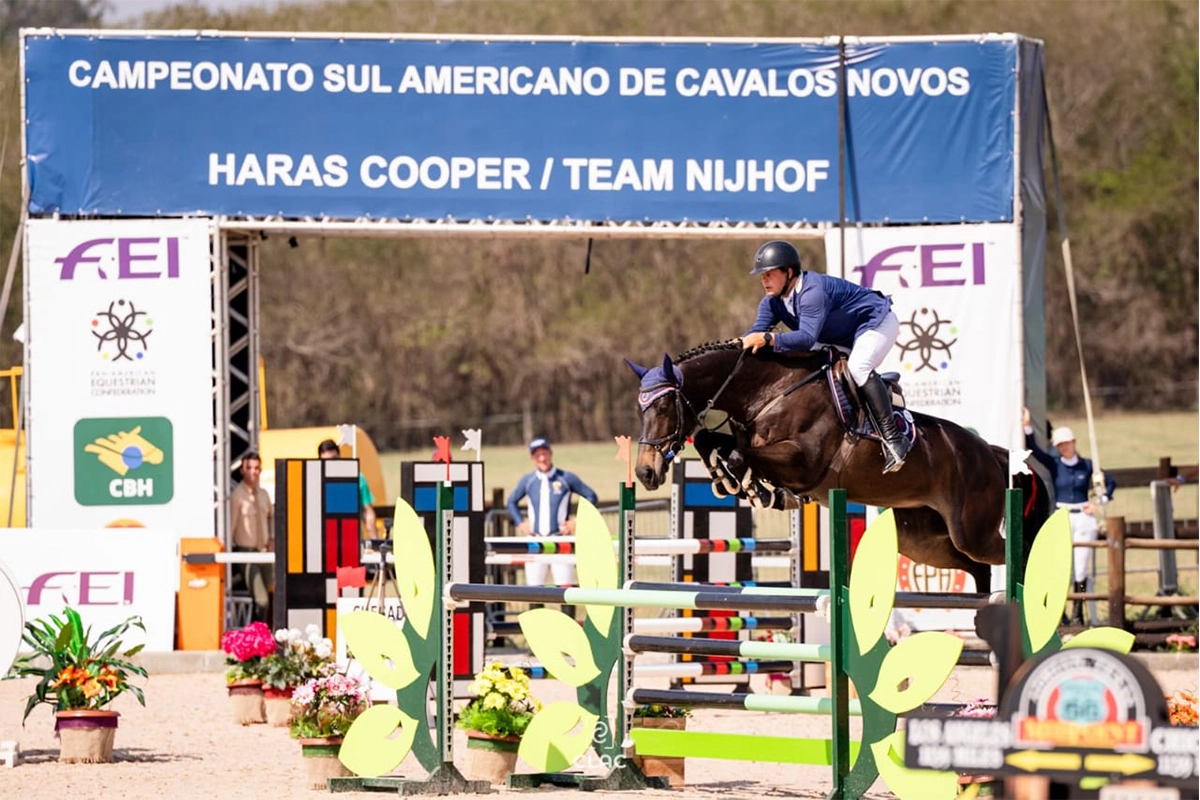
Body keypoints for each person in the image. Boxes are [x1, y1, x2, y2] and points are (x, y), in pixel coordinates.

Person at [739, 240, 910, 473]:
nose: (764, 280)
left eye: (769, 274)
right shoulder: (772, 302)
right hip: (839, 336)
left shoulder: (812, 292)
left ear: (789, 272)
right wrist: (736, 344)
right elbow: (755, 333)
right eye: (762, 275)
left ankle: (894, 438)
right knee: (810, 365)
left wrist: (769, 339)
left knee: (858, 367)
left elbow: (806, 338)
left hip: (875, 322)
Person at [1022, 408, 1116, 624]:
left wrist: (1100, 501)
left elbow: (1110, 483)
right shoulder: (1055, 465)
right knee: (1061, 566)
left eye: (1067, 443)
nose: (1064, 447)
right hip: (1062, 516)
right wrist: (1027, 426)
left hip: (1083, 516)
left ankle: (1078, 613)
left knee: (1080, 567)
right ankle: (1059, 612)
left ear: (1074, 442)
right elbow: (1034, 450)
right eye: (1060, 445)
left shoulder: (1088, 465)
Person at [506, 437, 598, 587]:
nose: (542, 458)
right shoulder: (528, 481)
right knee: (534, 590)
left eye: (544, 454)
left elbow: (591, 496)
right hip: (535, 541)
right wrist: (520, 522)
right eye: (537, 455)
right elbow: (511, 502)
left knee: (564, 589)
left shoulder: (566, 478)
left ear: (550, 453)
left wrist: (576, 522)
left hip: (560, 540)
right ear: (532, 458)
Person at [230, 451, 273, 623]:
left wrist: (272, 539)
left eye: (256, 468)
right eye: (249, 468)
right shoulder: (237, 496)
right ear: (242, 470)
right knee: (261, 599)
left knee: (269, 596)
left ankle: (263, 632)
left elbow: (271, 518)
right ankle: (257, 633)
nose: (253, 472)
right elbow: (230, 526)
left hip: (264, 552)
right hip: (246, 553)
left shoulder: (264, 494)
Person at [317, 439, 377, 539]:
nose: (331, 464)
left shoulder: (358, 478)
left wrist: (374, 538)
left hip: (352, 539)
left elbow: (367, 511)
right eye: (326, 461)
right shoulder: (315, 482)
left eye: (334, 459)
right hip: (324, 539)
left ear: (339, 457)